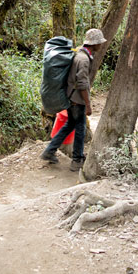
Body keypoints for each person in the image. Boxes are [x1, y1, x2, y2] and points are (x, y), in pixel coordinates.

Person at [41, 28, 105, 171]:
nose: (101, 45)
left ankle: (50, 151)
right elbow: (82, 83)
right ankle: (77, 160)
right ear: (94, 43)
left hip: (70, 98)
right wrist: (87, 104)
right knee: (80, 128)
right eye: (99, 42)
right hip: (77, 100)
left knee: (70, 125)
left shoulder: (79, 54)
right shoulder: (83, 59)